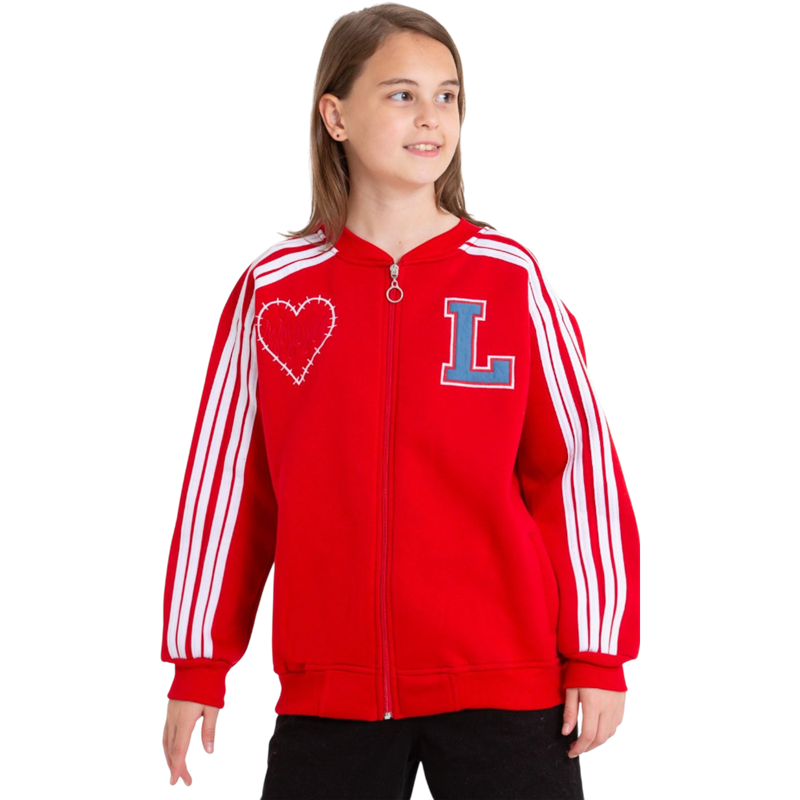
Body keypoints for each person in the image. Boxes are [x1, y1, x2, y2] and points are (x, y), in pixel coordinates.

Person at [161, 3, 641, 797]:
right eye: (401, 94)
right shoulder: (272, 289)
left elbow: (577, 472)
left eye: (447, 96)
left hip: (505, 689)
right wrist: (198, 666)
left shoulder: (510, 277)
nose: (431, 117)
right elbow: (227, 488)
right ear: (335, 115)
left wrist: (597, 654)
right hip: (330, 695)